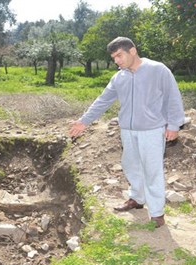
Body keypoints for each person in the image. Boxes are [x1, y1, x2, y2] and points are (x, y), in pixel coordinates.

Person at [69, 37, 185, 228]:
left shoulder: (157, 70)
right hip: (128, 131)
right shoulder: (119, 77)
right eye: (114, 57)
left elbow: (173, 97)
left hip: (152, 130)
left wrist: (174, 125)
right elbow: (103, 100)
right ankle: (137, 200)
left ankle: (157, 214)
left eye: (119, 55)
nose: (117, 61)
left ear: (132, 51)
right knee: (130, 165)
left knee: (152, 171)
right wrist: (84, 121)